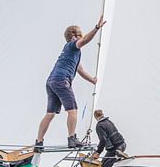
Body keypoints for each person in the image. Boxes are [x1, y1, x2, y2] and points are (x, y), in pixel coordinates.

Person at [35, 16, 106, 149]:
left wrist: (93, 80)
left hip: (51, 82)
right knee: (73, 111)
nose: (81, 37)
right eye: (79, 34)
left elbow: (80, 70)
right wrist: (97, 28)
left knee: (50, 114)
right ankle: (71, 139)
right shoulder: (72, 46)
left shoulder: (70, 53)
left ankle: (38, 142)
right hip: (61, 81)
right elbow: (85, 40)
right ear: (74, 36)